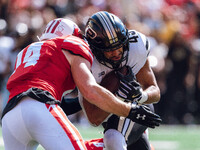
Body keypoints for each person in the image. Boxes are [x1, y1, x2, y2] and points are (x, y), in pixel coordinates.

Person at [1, 18, 161, 150]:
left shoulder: (26, 52)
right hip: (40, 107)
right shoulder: (72, 43)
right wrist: (129, 110)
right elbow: (90, 90)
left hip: (10, 116)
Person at [62, 11, 161, 150]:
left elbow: (155, 91)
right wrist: (119, 95)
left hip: (137, 105)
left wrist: (141, 95)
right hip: (110, 114)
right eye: (109, 49)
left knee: (113, 138)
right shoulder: (86, 61)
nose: (116, 53)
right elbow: (94, 118)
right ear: (95, 49)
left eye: (119, 46)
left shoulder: (136, 46)